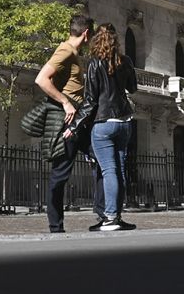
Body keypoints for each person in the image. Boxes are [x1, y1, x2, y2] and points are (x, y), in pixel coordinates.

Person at [69, 25, 138, 231]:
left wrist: (74, 125)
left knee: (109, 171)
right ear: (116, 40)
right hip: (124, 122)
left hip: (103, 123)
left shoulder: (94, 63)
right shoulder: (125, 61)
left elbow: (90, 100)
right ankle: (116, 216)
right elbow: (132, 88)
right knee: (119, 171)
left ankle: (109, 218)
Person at [35, 13, 93, 233]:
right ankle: (55, 225)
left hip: (79, 121)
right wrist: (65, 102)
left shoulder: (74, 53)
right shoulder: (66, 50)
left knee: (101, 160)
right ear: (86, 33)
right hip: (67, 121)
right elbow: (41, 79)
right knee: (60, 173)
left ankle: (104, 215)